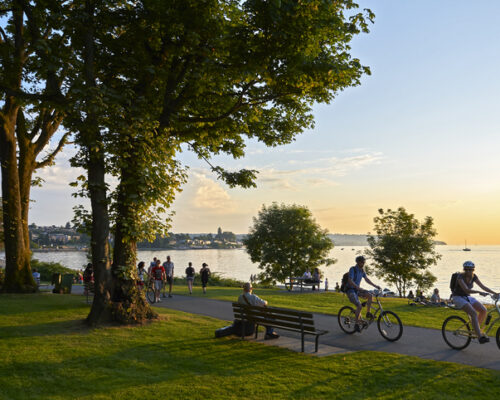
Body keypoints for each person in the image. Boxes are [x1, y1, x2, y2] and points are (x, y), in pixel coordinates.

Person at [451, 261, 499, 344]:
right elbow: (466, 289)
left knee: (483, 310)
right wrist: (478, 292)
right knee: (473, 313)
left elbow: (483, 286)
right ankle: (480, 337)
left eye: (470, 270)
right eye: (467, 269)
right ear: (464, 269)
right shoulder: (460, 277)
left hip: (467, 297)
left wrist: (495, 293)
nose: (468, 271)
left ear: (473, 270)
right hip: (457, 297)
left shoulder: (474, 277)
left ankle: (476, 330)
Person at [346, 256, 381, 332]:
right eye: (362, 262)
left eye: (364, 262)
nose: (363, 263)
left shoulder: (362, 270)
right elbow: (350, 281)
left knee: (370, 295)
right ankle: (356, 325)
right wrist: (357, 287)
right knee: (359, 306)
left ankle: (368, 313)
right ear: (358, 262)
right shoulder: (353, 269)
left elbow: (367, 279)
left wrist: (375, 286)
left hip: (357, 290)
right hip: (351, 290)